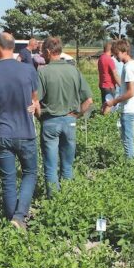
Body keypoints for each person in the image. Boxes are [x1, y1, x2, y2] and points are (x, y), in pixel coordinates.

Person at [0, 32, 39, 230]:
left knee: (7, 178)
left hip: (2, 131)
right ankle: (19, 216)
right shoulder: (28, 70)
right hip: (25, 131)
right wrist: (33, 104)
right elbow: (34, 98)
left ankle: (12, 220)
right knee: (30, 172)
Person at [37, 36, 93, 196]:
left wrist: (40, 116)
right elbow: (89, 100)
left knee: (50, 166)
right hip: (70, 121)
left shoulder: (43, 72)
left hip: (50, 122)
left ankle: (53, 202)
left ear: (48, 52)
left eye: (42, 53)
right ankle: (67, 200)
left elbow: (35, 101)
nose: (42, 56)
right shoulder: (74, 70)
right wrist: (77, 115)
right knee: (67, 165)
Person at [103, 39, 134, 159]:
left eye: (116, 54)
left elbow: (130, 92)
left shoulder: (129, 67)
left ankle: (131, 168)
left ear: (123, 51)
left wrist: (113, 102)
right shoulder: (133, 64)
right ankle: (131, 164)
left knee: (127, 140)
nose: (115, 57)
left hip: (129, 110)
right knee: (128, 139)